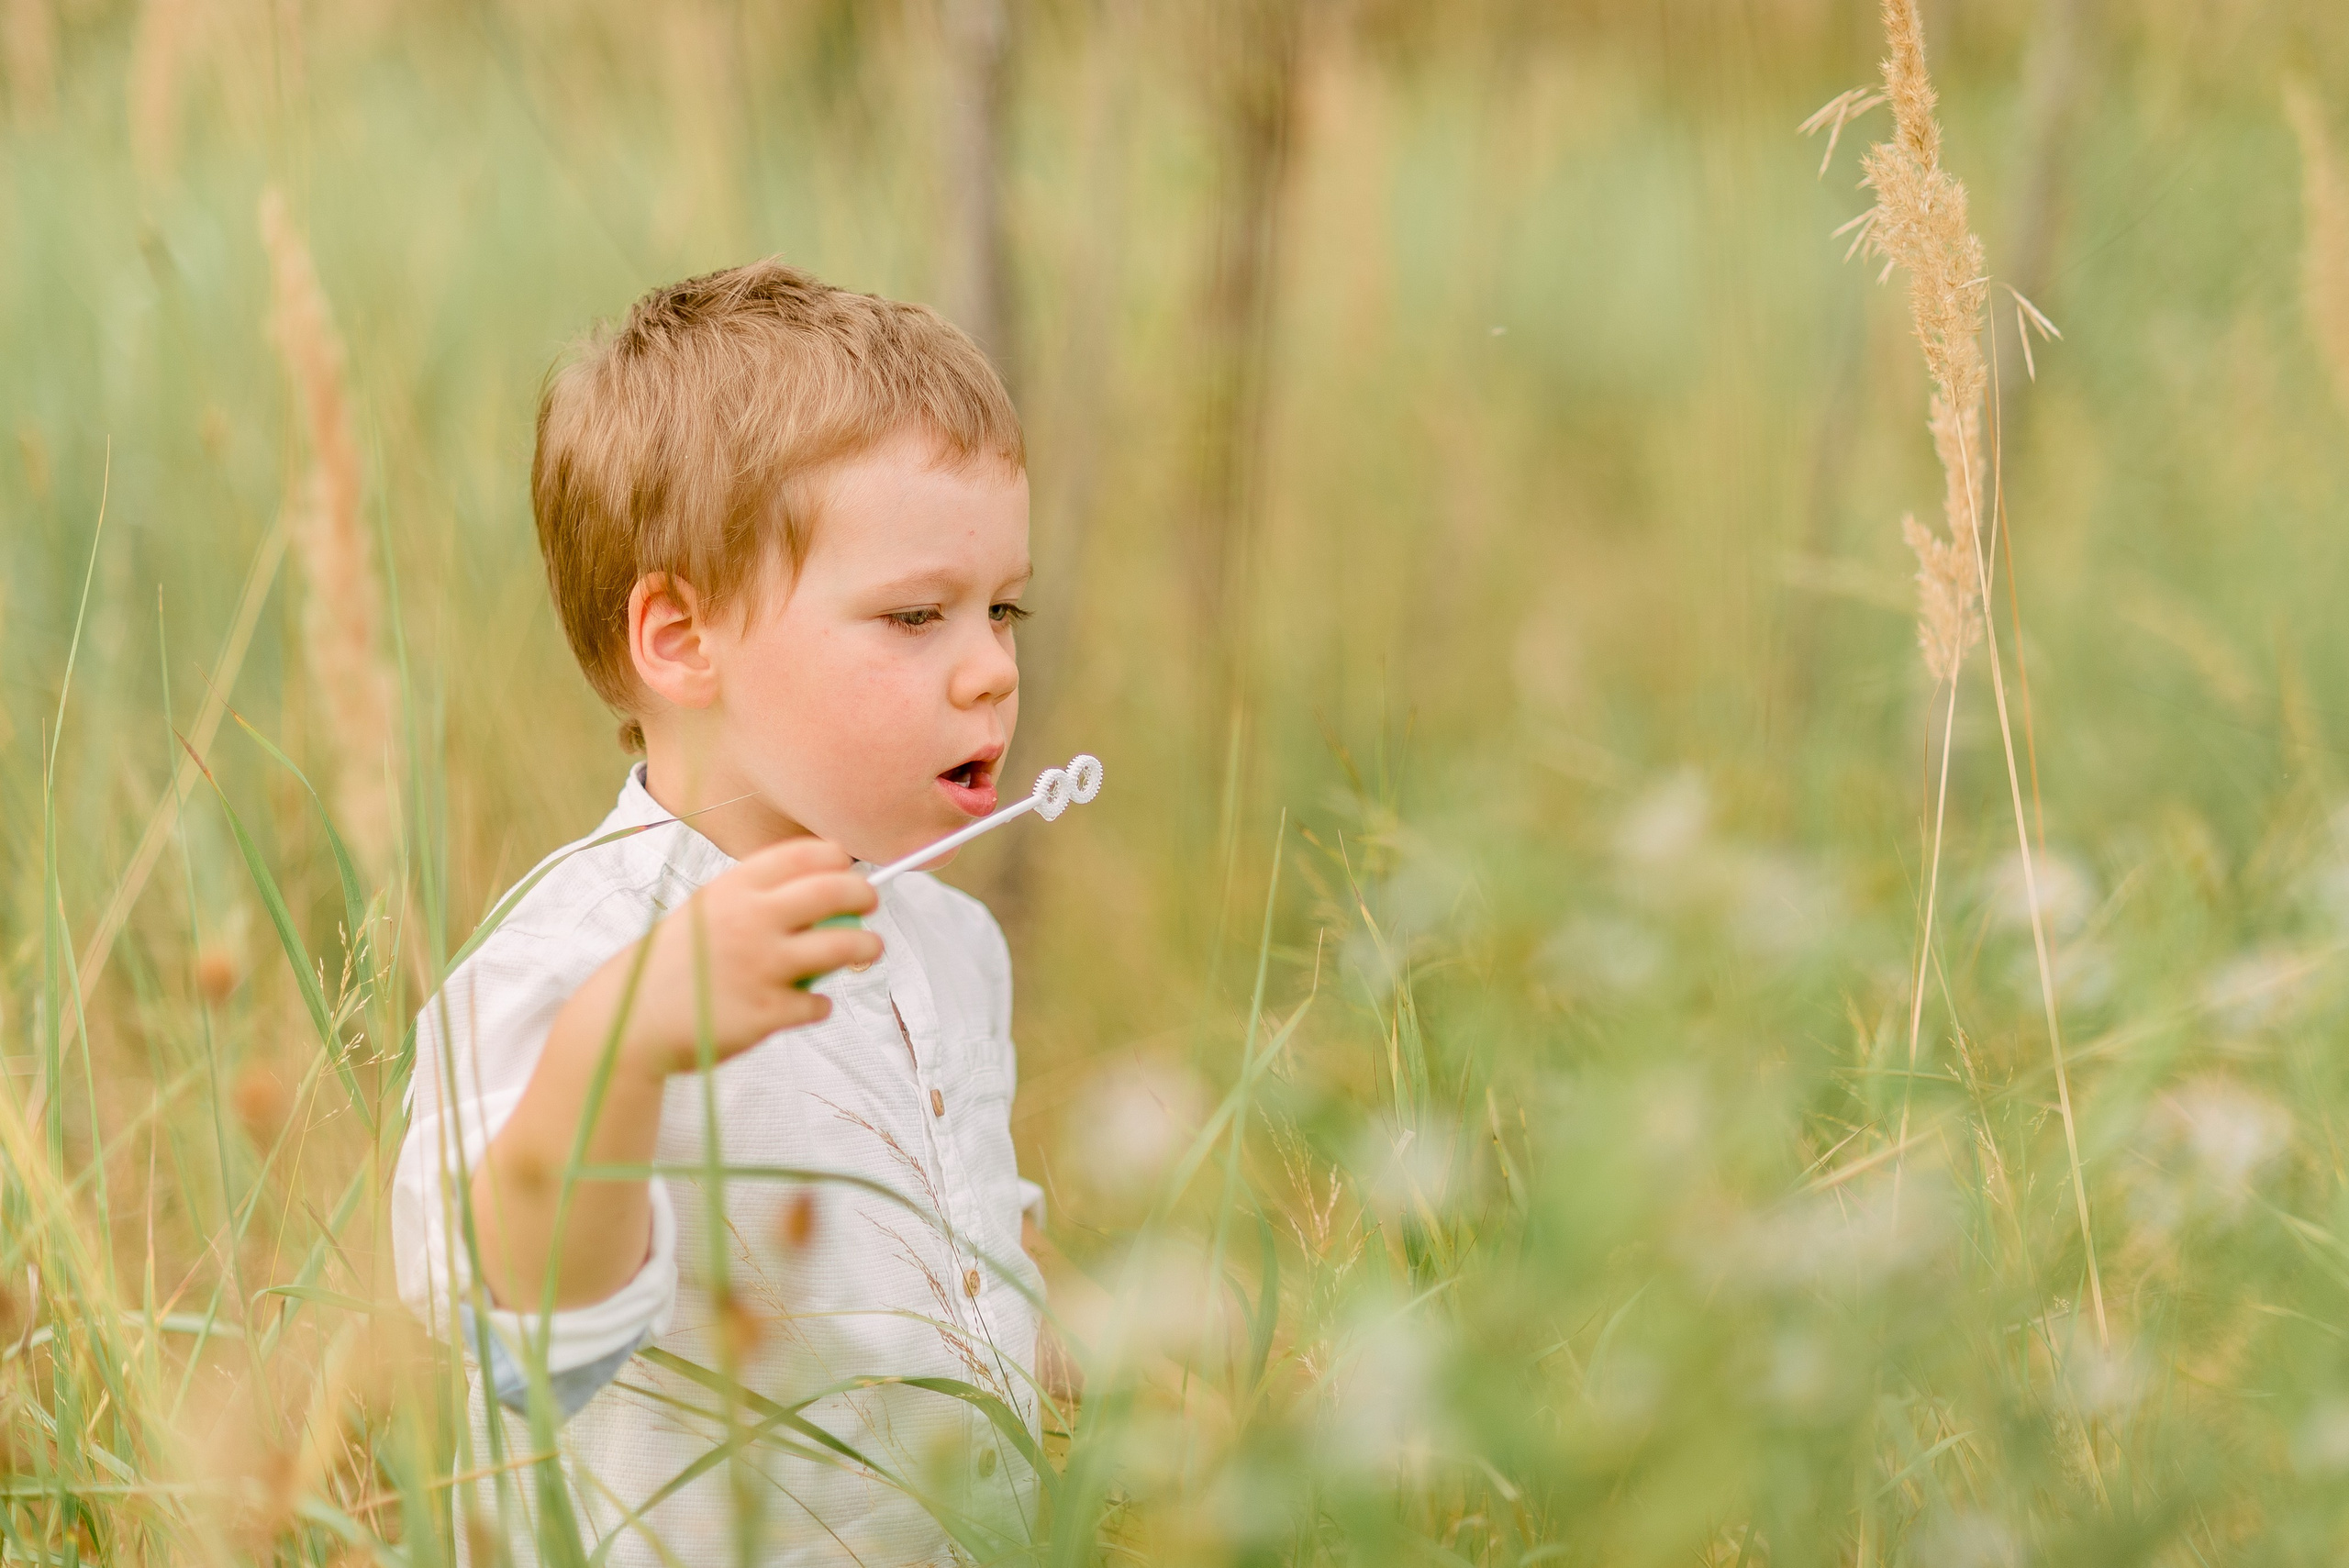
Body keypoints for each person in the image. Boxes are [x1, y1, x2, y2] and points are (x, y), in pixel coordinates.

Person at [391, 260, 1063, 1566]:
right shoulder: (571, 961)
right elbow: (520, 1318)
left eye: (1002, 609)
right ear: (682, 639)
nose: (990, 671)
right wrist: (623, 1043)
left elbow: (981, 1215)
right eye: (917, 615)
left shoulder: (944, 938)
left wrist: (1071, 1336)